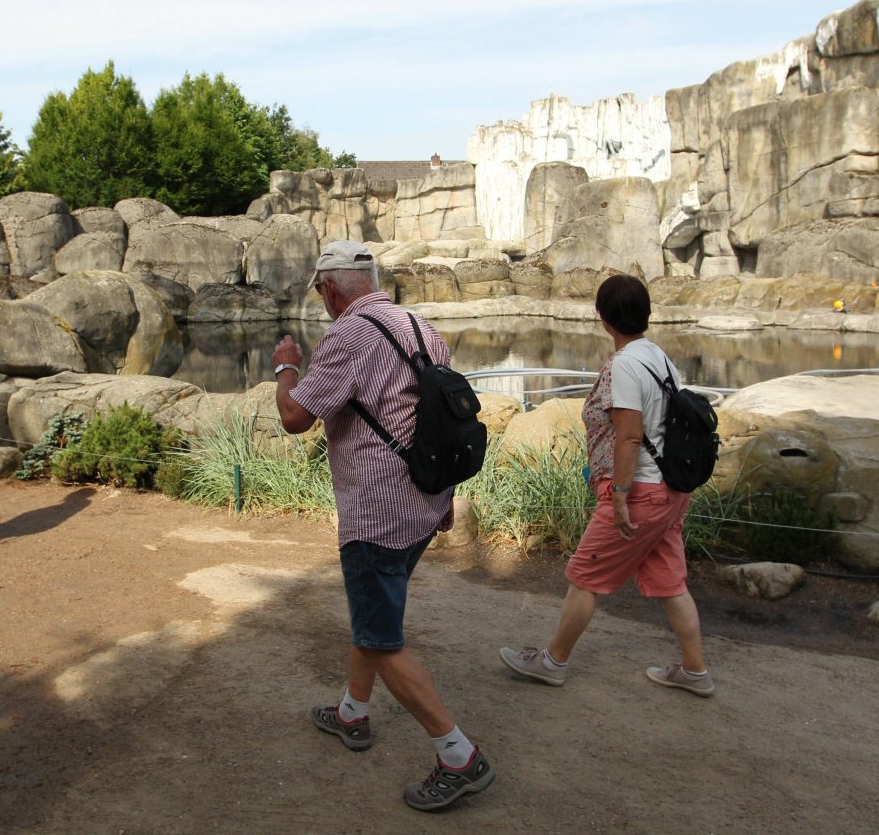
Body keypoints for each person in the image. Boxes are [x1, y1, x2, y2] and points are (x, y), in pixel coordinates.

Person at [272, 241, 495, 812]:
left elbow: (296, 417)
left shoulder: (348, 335)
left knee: (380, 636)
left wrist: (286, 366)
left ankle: (457, 755)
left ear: (329, 289)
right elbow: (440, 418)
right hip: (422, 499)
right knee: (374, 612)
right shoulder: (421, 327)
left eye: (320, 293)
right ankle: (353, 713)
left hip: (376, 510)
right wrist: (445, 495)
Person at [499, 274, 714, 698]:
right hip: (669, 491)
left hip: (640, 494)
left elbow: (630, 434)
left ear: (603, 318)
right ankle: (694, 670)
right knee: (671, 584)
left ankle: (552, 661)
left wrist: (619, 496)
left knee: (584, 576)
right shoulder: (659, 357)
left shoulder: (626, 365)